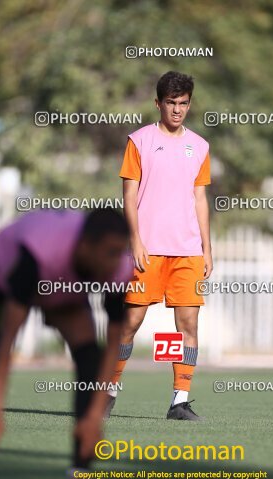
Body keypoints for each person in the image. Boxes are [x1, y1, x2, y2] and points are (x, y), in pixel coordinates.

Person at [0, 208, 132, 479]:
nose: (115, 261)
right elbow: (6, 341)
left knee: (89, 358)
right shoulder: (40, 251)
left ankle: (80, 476)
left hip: (63, 288)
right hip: (5, 279)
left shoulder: (120, 267)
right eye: (109, 252)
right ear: (85, 245)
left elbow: (113, 344)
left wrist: (94, 416)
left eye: (120, 252)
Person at [106, 71, 213, 420]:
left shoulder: (199, 147)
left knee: (188, 326)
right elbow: (129, 192)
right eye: (171, 103)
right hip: (147, 250)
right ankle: (108, 391)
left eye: (183, 103)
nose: (177, 110)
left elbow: (200, 198)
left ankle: (179, 401)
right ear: (158, 103)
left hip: (188, 252)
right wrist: (134, 240)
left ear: (190, 104)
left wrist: (207, 249)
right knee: (130, 322)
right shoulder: (139, 141)